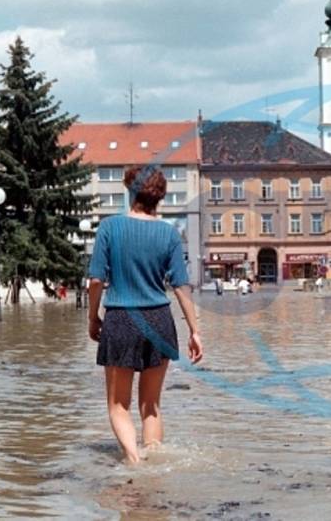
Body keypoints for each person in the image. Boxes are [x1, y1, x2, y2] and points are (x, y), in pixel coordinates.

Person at [88, 165, 203, 465]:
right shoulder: (168, 234)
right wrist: (194, 330)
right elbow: (180, 284)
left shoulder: (110, 228)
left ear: (130, 191)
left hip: (121, 320)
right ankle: (154, 463)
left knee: (117, 405)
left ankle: (134, 460)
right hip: (159, 322)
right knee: (151, 406)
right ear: (159, 197)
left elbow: (96, 280)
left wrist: (92, 317)